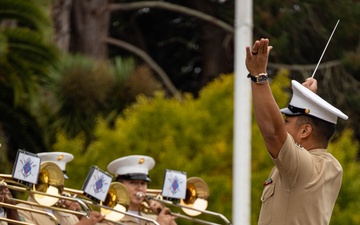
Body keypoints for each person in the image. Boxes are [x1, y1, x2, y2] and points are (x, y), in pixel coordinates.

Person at [245, 38, 348, 225]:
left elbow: (273, 133)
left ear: (305, 131)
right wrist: (309, 101)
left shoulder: (302, 168)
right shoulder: (332, 167)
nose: (283, 127)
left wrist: (258, 76)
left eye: (287, 122)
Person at [17, 152, 106, 225]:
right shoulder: (21, 211)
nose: (60, 187)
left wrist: (80, 215)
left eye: (60, 182)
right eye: (52, 181)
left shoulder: (68, 214)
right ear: (36, 181)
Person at [107, 155, 177, 225]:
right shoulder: (109, 220)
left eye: (143, 183)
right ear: (120, 186)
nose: (139, 188)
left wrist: (166, 216)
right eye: (133, 183)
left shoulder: (153, 218)